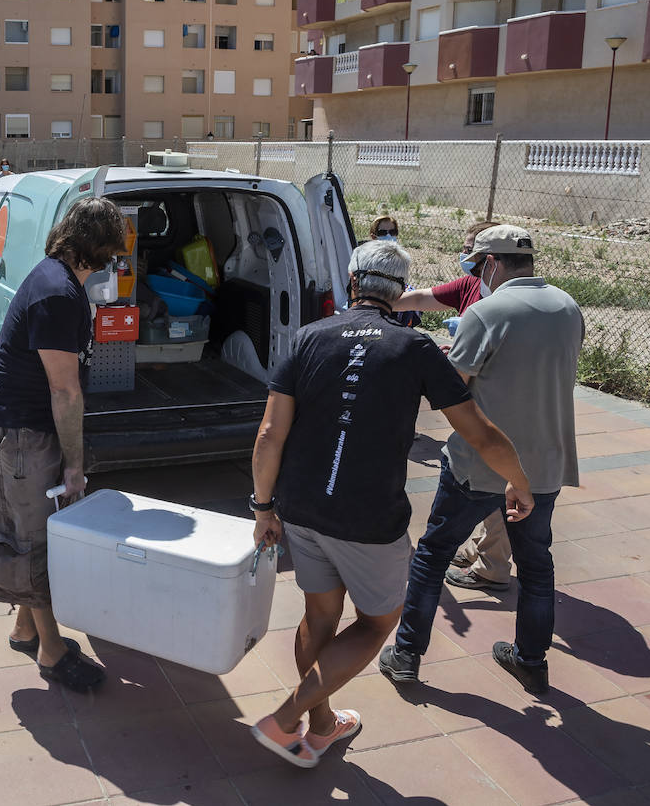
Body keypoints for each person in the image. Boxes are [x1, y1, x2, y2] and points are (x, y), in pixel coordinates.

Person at [247, 239, 533, 768]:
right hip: (368, 518)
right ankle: (286, 718)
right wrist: (519, 480)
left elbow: (269, 435)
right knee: (378, 624)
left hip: (301, 508)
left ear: (352, 282)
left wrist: (263, 509)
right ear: (399, 292)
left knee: (319, 615)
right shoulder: (415, 348)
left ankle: (322, 726)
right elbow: (479, 433)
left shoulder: (308, 337)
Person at [380, 225, 583, 695]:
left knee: (431, 555)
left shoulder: (485, 312)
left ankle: (407, 654)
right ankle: (531, 660)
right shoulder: (568, 307)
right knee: (536, 564)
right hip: (544, 465)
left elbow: (453, 393)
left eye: (476, 266)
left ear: (490, 264)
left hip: (480, 464)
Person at [0, 196, 126, 693]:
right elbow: (64, 391)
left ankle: (24, 626)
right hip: (21, 430)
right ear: (101, 247)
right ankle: (51, 650)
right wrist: (75, 466)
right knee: (34, 539)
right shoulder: (60, 294)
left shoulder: (55, 277)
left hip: (9, 420)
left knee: (25, 528)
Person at [392, 220, 506, 583]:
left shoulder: (510, 300)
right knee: (486, 475)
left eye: (471, 249)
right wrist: (380, 302)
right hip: (474, 398)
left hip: (500, 401)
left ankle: (493, 569)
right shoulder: (472, 285)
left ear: (491, 259)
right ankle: (483, 547)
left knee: (495, 477)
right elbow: (422, 298)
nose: (464, 256)